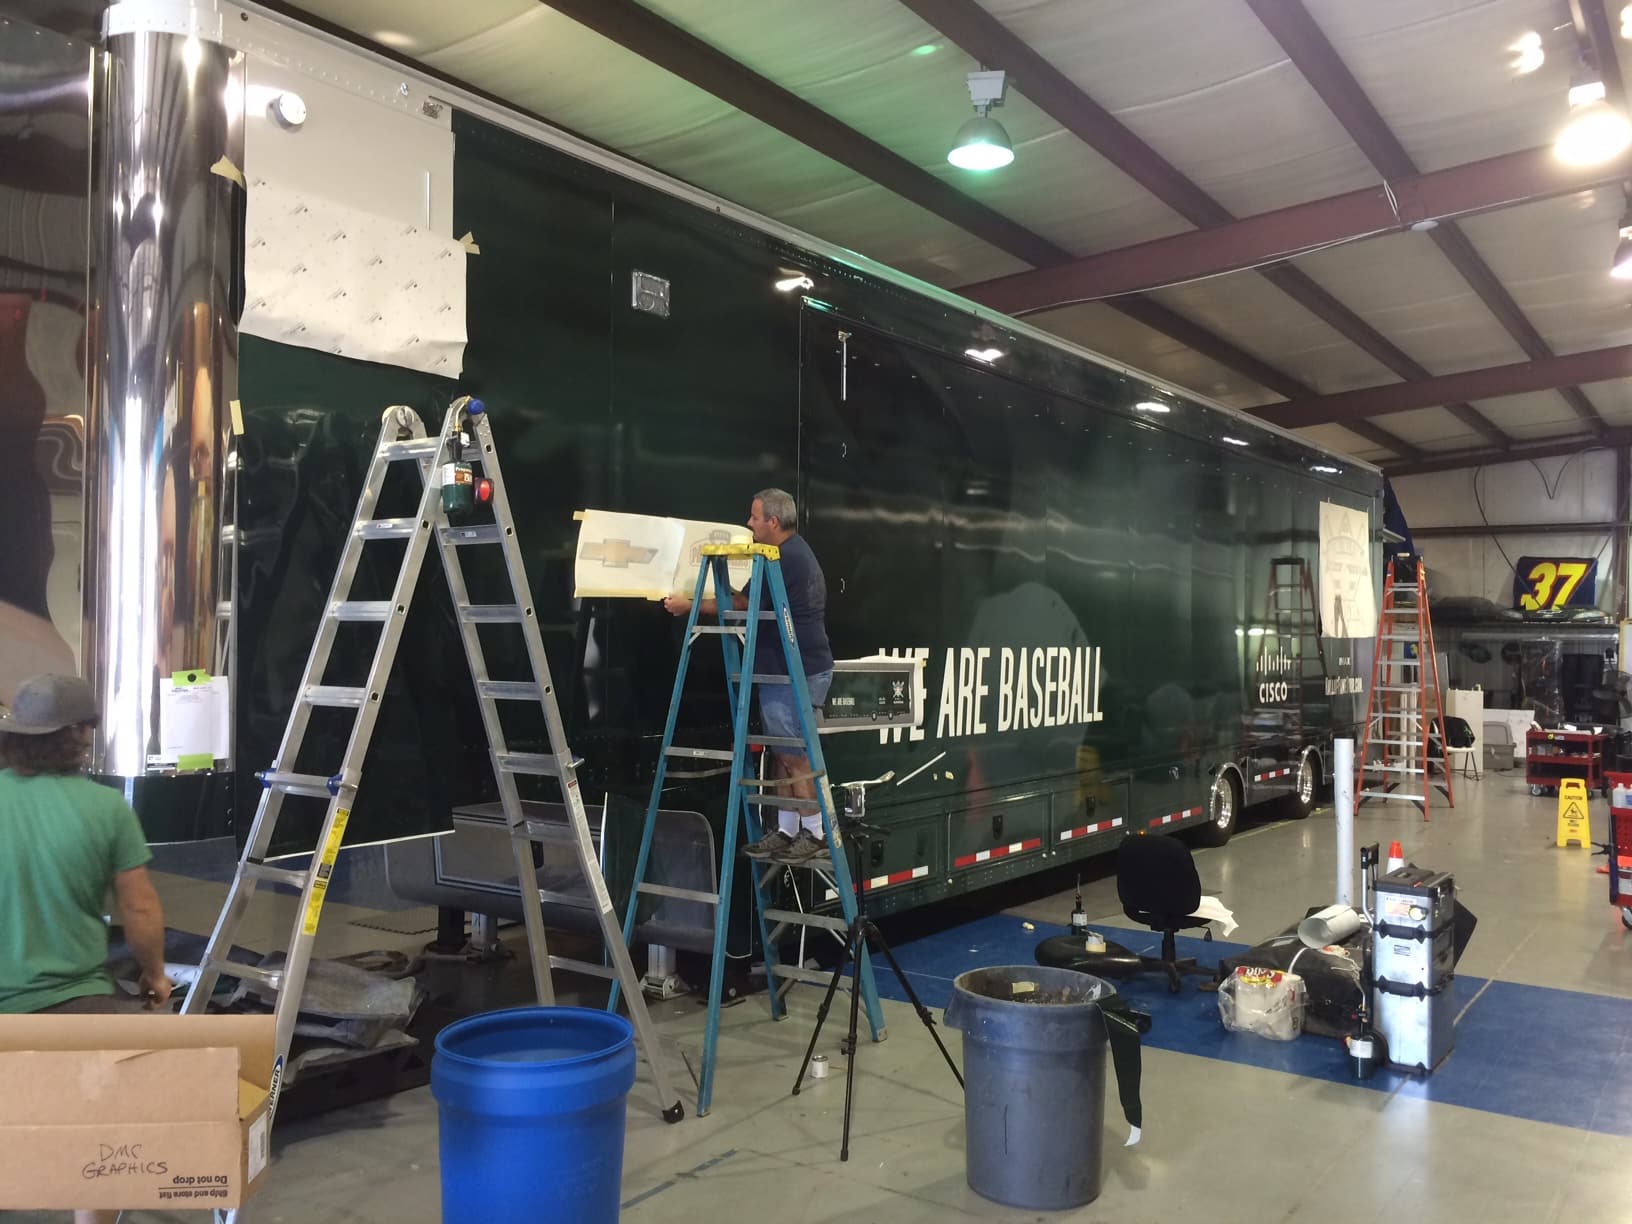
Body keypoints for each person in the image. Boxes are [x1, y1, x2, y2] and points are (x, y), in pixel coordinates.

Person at [663, 489, 835, 862]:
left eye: (754, 517)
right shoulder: (792, 552)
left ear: (773, 522)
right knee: (782, 753)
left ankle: (816, 833)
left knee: (792, 755)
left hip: (794, 673)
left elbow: (741, 604)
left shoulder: (783, 558)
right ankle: (788, 830)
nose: (749, 523)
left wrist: (688, 605)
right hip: (791, 670)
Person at [0, 674, 173, 1016]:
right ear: (79, 734)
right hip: (77, 1004)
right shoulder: (107, 807)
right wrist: (155, 974)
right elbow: (140, 908)